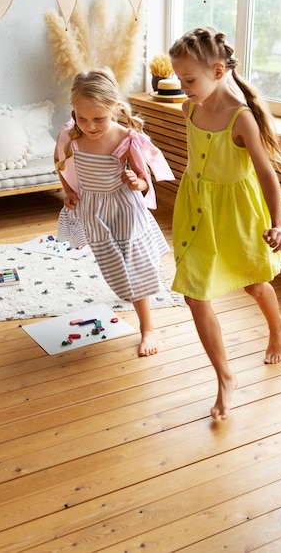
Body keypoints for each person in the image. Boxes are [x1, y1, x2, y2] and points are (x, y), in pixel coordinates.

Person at [169, 26, 281, 420]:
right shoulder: (189, 107)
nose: (183, 87)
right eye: (179, 79)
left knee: (253, 284)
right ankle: (225, 377)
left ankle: (277, 325)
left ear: (216, 71)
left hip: (238, 216)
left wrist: (279, 223)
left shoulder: (241, 118)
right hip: (196, 210)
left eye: (189, 79)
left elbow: (267, 175)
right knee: (194, 294)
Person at [54, 67, 175, 357]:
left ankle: (148, 326)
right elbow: (60, 166)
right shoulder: (70, 137)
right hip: (95, 211)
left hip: (124, 208)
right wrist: (68, 192)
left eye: (99, 118)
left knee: (133, 265)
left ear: (116, 108)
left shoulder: (125, 138)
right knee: (114, 268)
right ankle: (131, 294)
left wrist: (137, 181)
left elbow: (144, 178)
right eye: (82, 118)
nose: (90, 126)